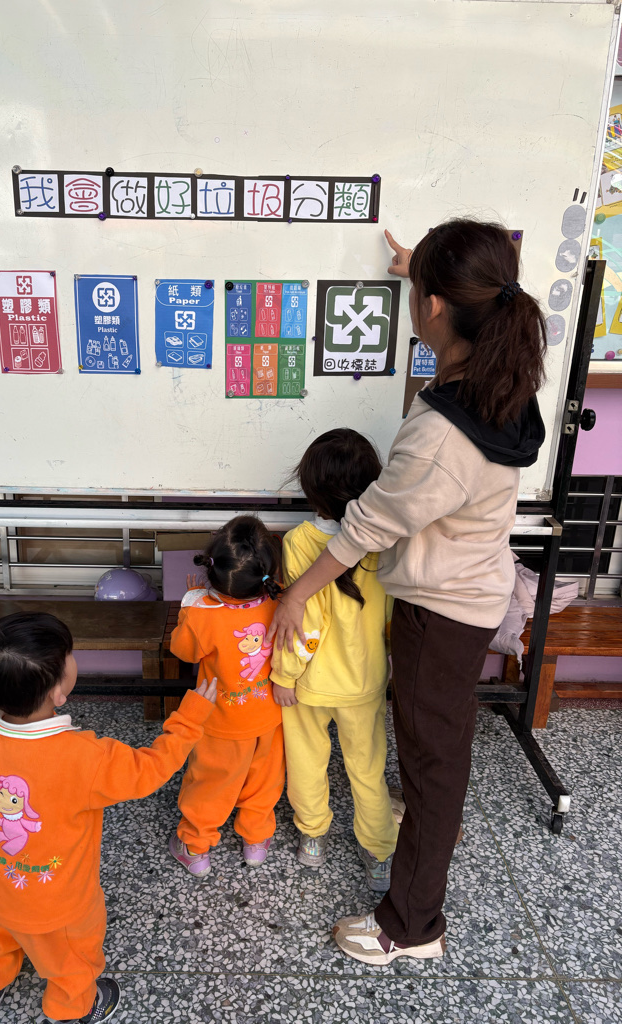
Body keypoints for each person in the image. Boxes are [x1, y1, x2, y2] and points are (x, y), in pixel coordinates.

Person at [271, 220, 546, 965]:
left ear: (436, 307)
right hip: (467, 591)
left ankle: (410, 926)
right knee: (435, 747)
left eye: (420, 292)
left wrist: (295, 596)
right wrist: (417, 270)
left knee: (433, 766)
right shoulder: (499, 375)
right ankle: (414, 857)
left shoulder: (441, 437)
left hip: (442, 611)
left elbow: (364, 527)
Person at [0, 612, 216, 1022]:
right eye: (70, 655)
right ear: (58, 692)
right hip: (58, 906)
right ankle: (73, 1007)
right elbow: (149, 770)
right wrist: (191, 718)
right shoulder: (86, 755)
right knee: (70, 958)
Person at [270, 428, 398, 890]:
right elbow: (391, 614)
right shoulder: (385, 542)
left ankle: (313, 837)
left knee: (307, 761)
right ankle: (379, 852)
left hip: (308, 685)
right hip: (364, 681)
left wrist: (284, 675)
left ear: (310, 487)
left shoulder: (298, 542)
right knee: (368, 768)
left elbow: (302, 623)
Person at [168, 515, 285, 877]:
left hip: (219, 719)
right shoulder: (281, 600)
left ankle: (195, 847)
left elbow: (184, 651)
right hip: (269, 716)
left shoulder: (202, 612)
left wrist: (189, 606)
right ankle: (256, 840)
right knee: (264, 780)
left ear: (211, 569)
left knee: (212, 783)